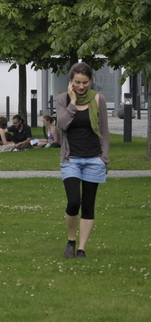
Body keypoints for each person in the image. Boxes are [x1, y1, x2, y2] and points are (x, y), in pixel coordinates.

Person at [56, 62, 109, 259]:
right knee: (73, 201)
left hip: (94, 159)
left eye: (85, 82)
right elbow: (62, 124)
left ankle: (82, 249)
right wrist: (72, 102)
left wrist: (104, 158)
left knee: (88, 205)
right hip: (71, 160)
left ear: (90, 81)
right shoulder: (62, 99)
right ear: (71, 82)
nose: (81, 86)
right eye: (77, 82)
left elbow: (104, 131)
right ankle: (71, 240)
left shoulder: (98, 99)